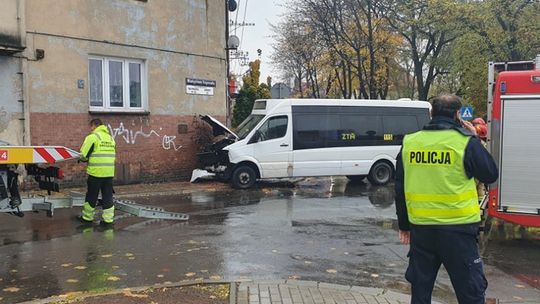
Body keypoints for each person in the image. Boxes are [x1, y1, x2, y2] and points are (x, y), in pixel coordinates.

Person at [395, 95, 498, 304]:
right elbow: (490, 174)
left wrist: (404, 225)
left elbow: (400, 187)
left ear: (432, 113)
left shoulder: (411, 142)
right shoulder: (465, 142)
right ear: (457, 115)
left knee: (421, 293)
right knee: (470, 293)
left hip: (422, 231)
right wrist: (475, 139)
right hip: (458, 231)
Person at [78, 118, 116, 226]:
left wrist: (82, 159)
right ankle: (108, 220)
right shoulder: (111, 138)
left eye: (91, 127)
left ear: (94, 125)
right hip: (109, 173)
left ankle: (87, 218)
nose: (90, 129)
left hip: (96, 172)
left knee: (91, 196)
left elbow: (83, 155)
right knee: (108, 196)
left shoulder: (92, 137)